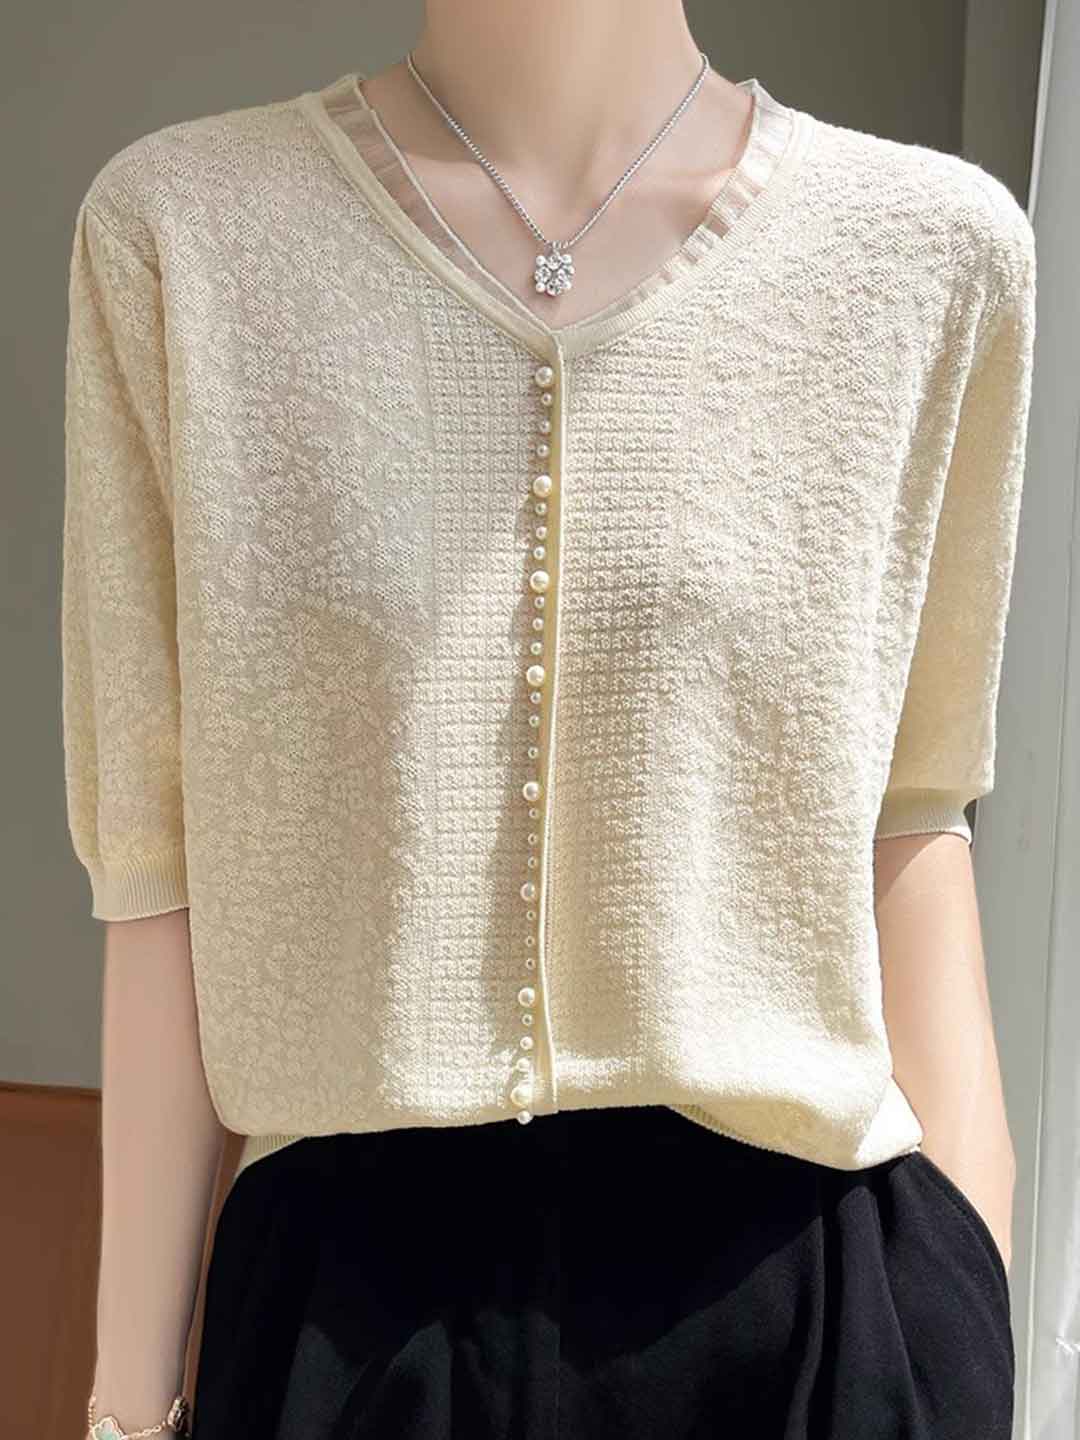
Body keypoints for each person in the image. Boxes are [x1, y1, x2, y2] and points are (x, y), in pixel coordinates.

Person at [63, 2, 1036, 1436]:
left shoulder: (930, 255)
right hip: (348, 1323)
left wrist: (967, 1331)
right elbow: (157, 868)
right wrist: (123, 1408)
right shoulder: (181, 237)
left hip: (806, 1315)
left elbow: (915, 811)